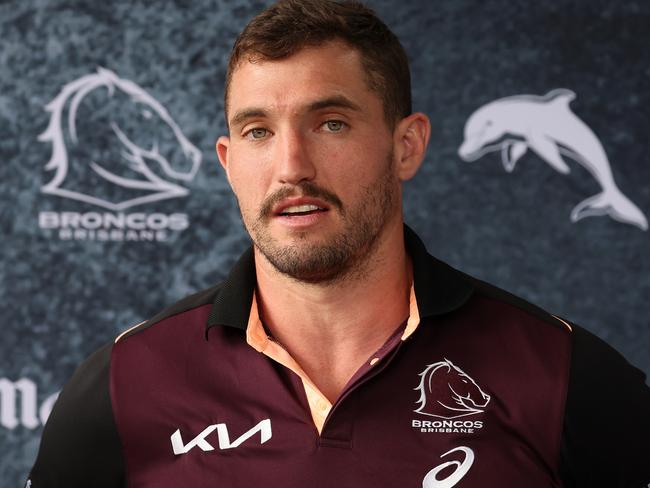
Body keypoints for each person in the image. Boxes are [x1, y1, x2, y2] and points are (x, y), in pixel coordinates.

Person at [27, 1, 650, 487]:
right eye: (257, 131)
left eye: (331, 123)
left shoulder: (566, 377)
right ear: (226, 160)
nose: (291, 166)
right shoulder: (124, 384)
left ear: (407, 145)